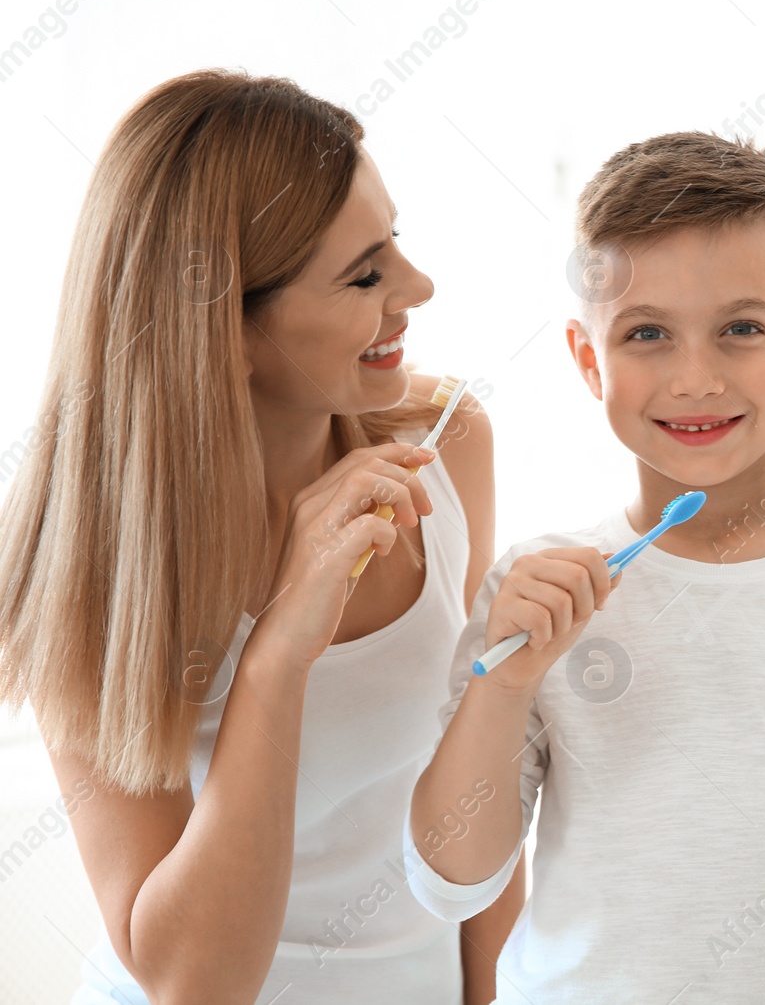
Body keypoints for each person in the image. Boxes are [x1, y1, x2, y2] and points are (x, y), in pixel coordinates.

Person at [407, 131, 765, 1004]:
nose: (697, 377)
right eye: (647, 334)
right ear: (589, 360)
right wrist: (505, 684)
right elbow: (452, 878)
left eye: (741, 329)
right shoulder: (532, 588)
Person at [0, 70, 518, 1004]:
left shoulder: (446, 444)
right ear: (222, 330)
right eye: (365, 274)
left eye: (393, 241)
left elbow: (477, 780)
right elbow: (194, 982)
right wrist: (278, 649)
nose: (418, 286)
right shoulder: (89, 563)